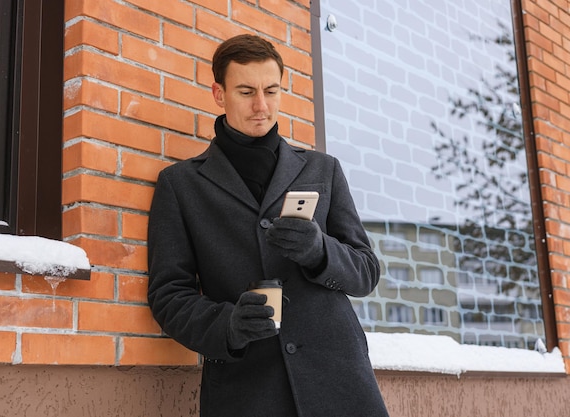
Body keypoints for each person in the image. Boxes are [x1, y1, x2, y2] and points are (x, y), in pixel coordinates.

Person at [147, 34, 389, 417]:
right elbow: (168, 294)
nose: (261, 106)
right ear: (218, 93)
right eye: (246, 91)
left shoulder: (323, 170)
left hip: (337, 380)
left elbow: (366, 272)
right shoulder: (180, 185)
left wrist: (319, 251)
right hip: (247, 390)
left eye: (271, 91)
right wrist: (227, 325)